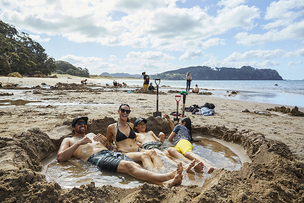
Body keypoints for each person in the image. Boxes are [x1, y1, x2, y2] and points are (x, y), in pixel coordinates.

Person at [57, 116, 183, 188]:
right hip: (96, 157)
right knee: (128, 166)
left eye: (84, 123)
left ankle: (165, 183)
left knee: (135, 166)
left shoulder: (91, 134)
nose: (83, 125)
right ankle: (165, 177)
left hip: (110, 153)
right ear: (74, 127)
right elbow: (61, 158)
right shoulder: (69, 140)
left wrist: (105, 141)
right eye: (79, 123)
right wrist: (79, 143)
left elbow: (111, 147)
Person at [107, 104, 167, 172]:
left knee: (153, 152)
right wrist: (115, 148)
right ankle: (156, 175)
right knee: (144, 155)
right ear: (118, 111)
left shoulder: (131, 125)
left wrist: (138, 144)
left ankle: (165, 172)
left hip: (138, 150)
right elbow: (109, 143)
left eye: (127, 111)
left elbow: (132, 140)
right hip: (125, 153)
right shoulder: (111, 127)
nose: (125, 113)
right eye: (123, 110)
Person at [134, 117, 203, 172]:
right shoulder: (135, 134)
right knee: (163, 155)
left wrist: (162, 137)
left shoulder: (150, 132)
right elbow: (133, 143)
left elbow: (160, 141)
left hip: (158, 144)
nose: (142, 125)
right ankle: (182, 167)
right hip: (149, 146)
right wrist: (140, 145)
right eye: (140, 124)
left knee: (171, 152)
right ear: (136, 127)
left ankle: (190, 164)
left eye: (143, 124)